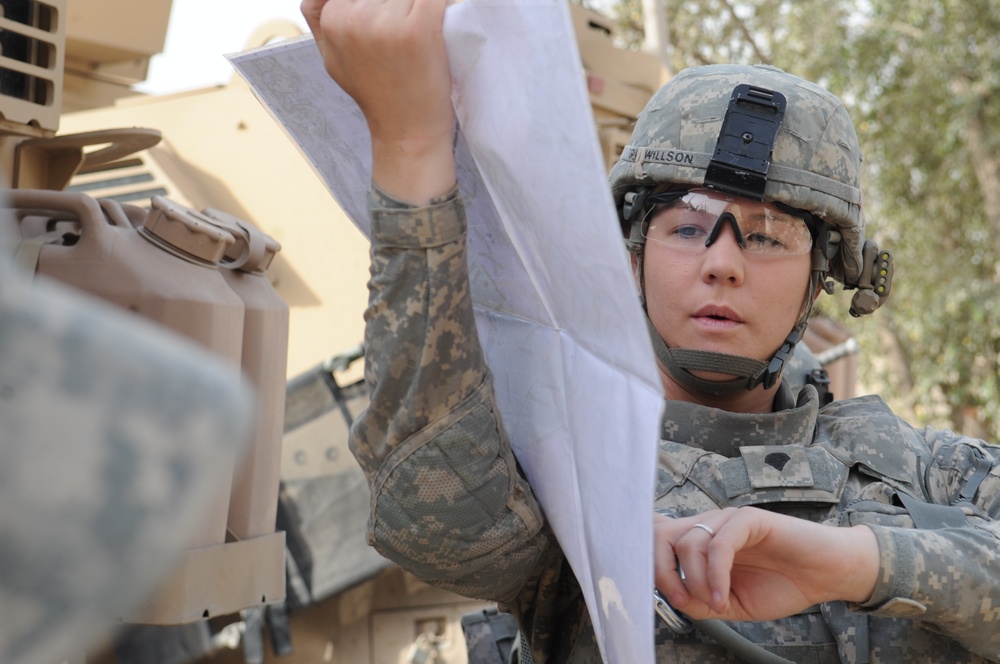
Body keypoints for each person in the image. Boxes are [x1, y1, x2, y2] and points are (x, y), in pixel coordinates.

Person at [300, 0, 1000, 661]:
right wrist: (410, 150)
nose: (722, 264)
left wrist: (855, 560)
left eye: (768, 237)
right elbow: (431, 516)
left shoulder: (929, 473)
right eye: (689, 226)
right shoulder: (566, 476)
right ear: (630, 249)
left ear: (823, 276)